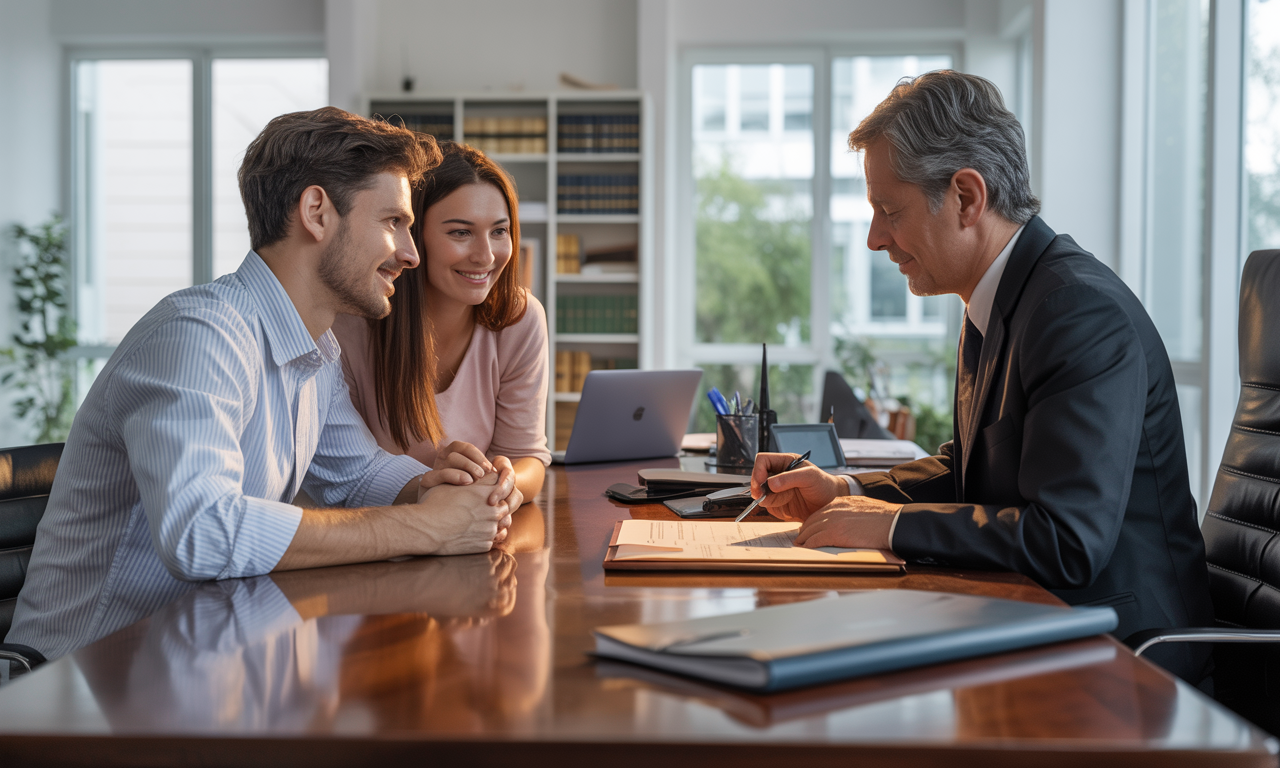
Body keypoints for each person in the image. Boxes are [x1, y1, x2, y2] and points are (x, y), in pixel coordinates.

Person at [5, 108, 524, 661]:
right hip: (75, 681)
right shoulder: (201, 334)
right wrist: (425, 527)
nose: (410, 253)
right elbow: (202, 532)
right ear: (316, 212)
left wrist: (441, 488)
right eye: (393, 222)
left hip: (193, 662)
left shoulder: (315, 351)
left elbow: (357, 474)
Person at [749, 71, 1214, 684]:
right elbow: (971, 468)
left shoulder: (1077, 311)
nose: (873, 239)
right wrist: (845, 491)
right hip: (1036, 626)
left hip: (1124, 667)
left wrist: (890, 524)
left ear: (967, 197)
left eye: (889, 211)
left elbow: (1066, 541)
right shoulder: (1003, 300)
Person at [332, 140, 549, 504]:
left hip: (471, 519)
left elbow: (526, 457)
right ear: (412, 239)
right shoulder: (351, 322)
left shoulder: (520, 318)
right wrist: (437, 486)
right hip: (376, 528)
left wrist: (503, 486)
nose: (485, 256)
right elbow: (345, 477)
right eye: (461, 232)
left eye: (499, 231)